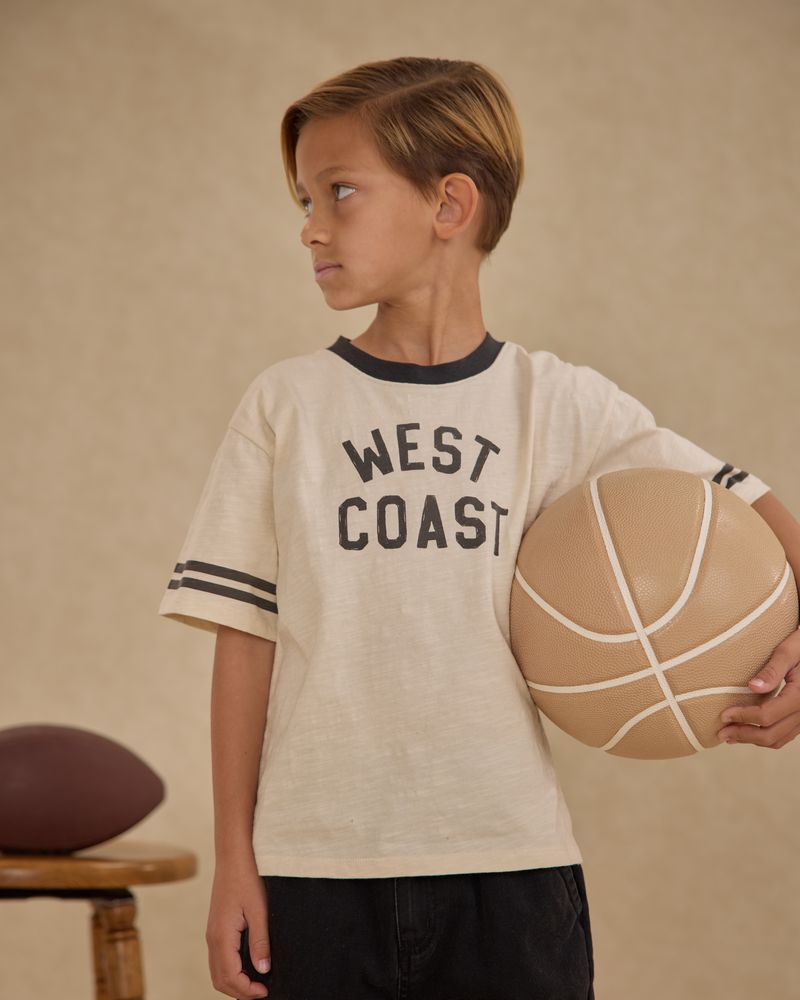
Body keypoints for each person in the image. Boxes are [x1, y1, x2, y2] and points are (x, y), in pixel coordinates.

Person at [158, 56, 800, 1000]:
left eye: (340, 192)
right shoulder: (286, 406)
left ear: (449, 204)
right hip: (315, 868)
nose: (311, 227)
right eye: (304, 199)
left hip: (512, 868)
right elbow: (244, 642)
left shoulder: (560, 404)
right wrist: (234, 862)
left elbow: (755, 515)